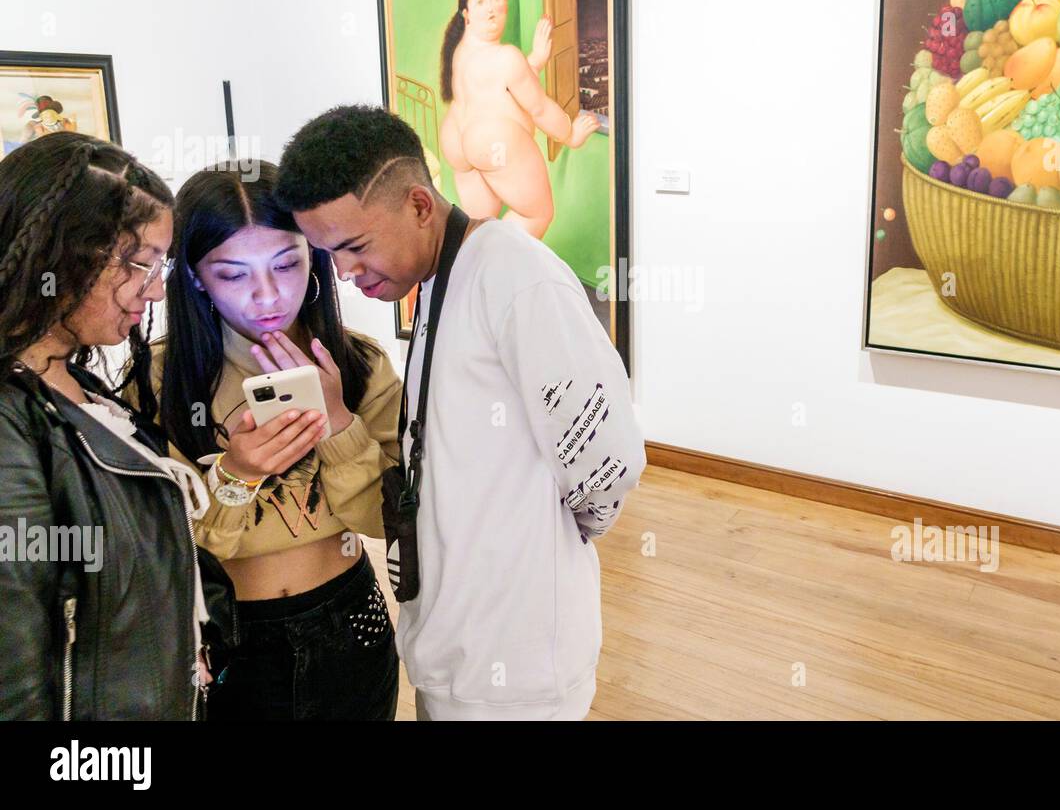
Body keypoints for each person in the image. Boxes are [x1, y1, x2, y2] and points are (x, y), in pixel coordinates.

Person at [276, 104, 646, 720]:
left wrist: (540, 544)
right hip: (457, 652)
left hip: (515, 673)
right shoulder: (444, 274)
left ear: (420, 205)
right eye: (328, 254)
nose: (343, 273)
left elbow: (610, 463)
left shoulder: (514, 275)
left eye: (355, 246)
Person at [138, 162, 403, 720]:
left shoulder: (359, 364)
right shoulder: (162, 378)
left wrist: (338, 424)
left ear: (315, 257)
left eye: (286, 264)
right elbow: (168, 548)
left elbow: (388, 522)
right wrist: (235, 474)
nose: (267, 296)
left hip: (351, 620)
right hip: (233, 633)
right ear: (193, 277)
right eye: (233, 274)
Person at [0, 132, 226, 719]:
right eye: (139, 265)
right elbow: (16, 679)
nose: (154, 290)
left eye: (161, 267)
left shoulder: (85, 388)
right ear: (65, 253)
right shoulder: (10, 423)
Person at [437, 0, 601, 239]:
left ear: (505, 3)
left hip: (457, 140)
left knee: (481, 228)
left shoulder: (460, 49)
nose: (490, 8)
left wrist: (534, 62)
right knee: (537, 214)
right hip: (491, 142)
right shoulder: (507, 58)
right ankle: (497, 265)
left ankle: (481, 274)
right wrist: (570, 135)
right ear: (466, 13)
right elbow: (538, 108)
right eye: (480, 2)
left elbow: (497, 86)